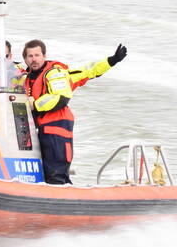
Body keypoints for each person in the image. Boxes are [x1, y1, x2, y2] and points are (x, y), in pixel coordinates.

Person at [23, 39, 127, 185]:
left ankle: (63, 199)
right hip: (41, 130)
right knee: (47, 172)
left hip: (56, 127)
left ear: (44, 56)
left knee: (56, 174)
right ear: (25, 59)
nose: (34, 59)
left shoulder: (56, 74)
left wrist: (112, 60)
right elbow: (88, 70)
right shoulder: (26, 78)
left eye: (37, 55)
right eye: (30, 56)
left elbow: (61, 96)